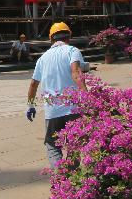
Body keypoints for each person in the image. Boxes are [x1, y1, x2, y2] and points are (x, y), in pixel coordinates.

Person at [25, 22, 87, 167]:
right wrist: (87, 98)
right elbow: (76, 73)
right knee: (73, 145)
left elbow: (33, 84)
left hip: (52, 111)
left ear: (51, 39)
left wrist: (31, 106)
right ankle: (71, 180)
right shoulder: (72, 50)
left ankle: (59, 180)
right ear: (69, 36)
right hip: (73, 109)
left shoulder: (42, 58)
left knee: (53, 146)